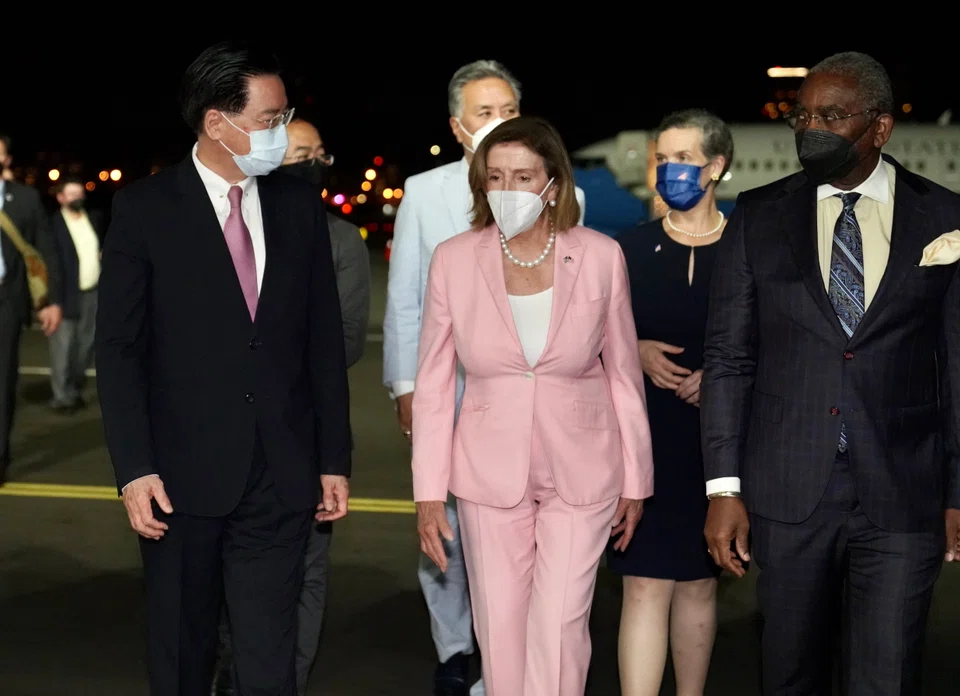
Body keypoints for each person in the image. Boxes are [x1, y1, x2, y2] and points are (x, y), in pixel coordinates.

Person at [95, 41, 352, 696]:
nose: (281, 131)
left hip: (281, 476)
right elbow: (120, 349)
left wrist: (333, 459)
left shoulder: (298, 208)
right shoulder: (147, 210)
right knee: (182, 655)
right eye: (270, 118)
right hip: (179, 482)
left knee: (270, 663)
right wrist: (134, 469)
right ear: (217, 122)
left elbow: (321, 340)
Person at [701, 51, 960, 695]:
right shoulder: (758, 216)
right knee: (789, 674)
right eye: (803, 115)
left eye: (832, 115)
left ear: (879, 128)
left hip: (905, 492)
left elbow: (956, 366)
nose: (811, 127)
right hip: (788, 492)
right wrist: (724, 487)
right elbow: (729, 360)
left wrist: (959, 490)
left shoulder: (946, 218)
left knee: (887, 676)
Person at [413, 116, 654, 695]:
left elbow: (623, 371)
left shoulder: (599, 256)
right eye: (495, 176)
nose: (507, 190)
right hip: (487, 471)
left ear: (553, 184)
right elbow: (434, 382)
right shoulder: (453, 259)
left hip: (585, 466)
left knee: (561, 621)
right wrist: (427, 491)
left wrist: (636, 478)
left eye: (523, 176)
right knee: (499, 623)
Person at [383, 59, 585, 696]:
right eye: (483, 112)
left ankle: (520, 659)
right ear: (456, 124)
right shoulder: (425, 191)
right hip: (453, 391)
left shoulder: (550, 188)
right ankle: (455, 649)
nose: (497, 122)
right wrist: (405, 386)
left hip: (533, 399)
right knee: (444, 529)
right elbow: (407, 299)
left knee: (525, 537)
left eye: (508, 110)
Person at [211, 116, 371, 696]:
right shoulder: (224, 226)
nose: (313, 163)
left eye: (320, 153)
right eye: (301, 153)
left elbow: (346, 340)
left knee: (303, 576)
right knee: (227, 581)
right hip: (225, 438)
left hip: (300, 435)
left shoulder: (339, 239)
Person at [608, 109, 733, 696]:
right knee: (643, 583)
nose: (669, 169)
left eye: (684, 158)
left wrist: (723, 377)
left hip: (719, 441)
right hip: (643, 438)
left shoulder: (749, 250)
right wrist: (629, 350)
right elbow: (588, 337)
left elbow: (777, 342)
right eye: (662, 157)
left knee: (700, 584)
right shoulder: (624, 251)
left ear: (717, 167)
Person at [0, 133, 63, 486]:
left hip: (5, 303)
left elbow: (45, 249)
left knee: (2, 383)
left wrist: (50, 301)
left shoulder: (23, 199)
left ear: (6, 160)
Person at [47, 175, 105, 413]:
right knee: (63, 347)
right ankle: (61, 396)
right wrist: (52, 301)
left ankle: (74, 389)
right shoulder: (53, 224)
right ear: (60, 197)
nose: (76, 197)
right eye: (71, 194)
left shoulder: (93, 219)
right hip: (65, 295)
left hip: (92, 292)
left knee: (86, 345)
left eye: (79, 193)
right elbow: (51, 264)